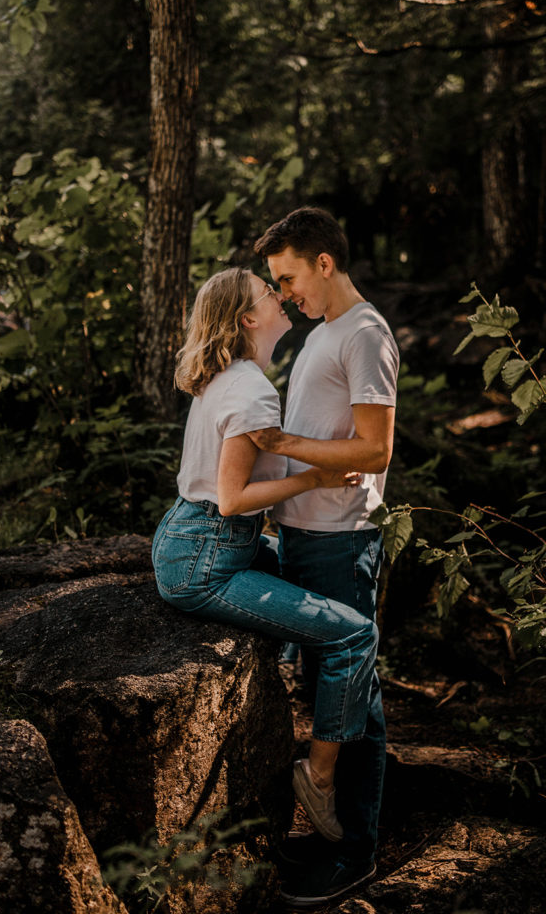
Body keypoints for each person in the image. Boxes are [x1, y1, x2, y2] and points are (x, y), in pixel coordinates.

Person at [152, 266, 381, 857]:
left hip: (195, 538)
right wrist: (315, 477)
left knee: (299, 582)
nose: (279, 296)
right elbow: (232, 500)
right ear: (248, 318)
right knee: (355, 635)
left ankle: (288, 676)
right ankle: (319, 775)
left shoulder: (232, 376)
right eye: (266, 291)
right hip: (207, 558)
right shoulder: (250, 389)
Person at [251, 207, 399, 906]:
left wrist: (283, 445)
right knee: (326, 692)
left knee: (355, 698)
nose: (283, 294)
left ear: (324, 262)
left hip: (342, 541)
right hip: (304, 536)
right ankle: (331, 832)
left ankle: (355, 853)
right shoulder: (322, 333)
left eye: (287, 279)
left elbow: (376, 449)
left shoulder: (365, 333)